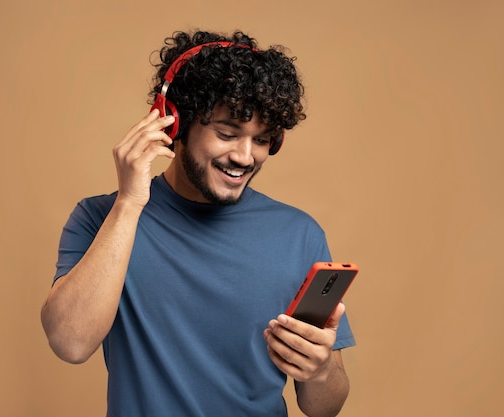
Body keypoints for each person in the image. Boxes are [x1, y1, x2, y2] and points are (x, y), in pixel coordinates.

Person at [41, 29, 355, 417]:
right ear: (175, 124)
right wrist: (130, 202)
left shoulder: (299, 235)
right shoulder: (100, 219)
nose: (245, 156)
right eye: (227, 133)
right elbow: (69, 343)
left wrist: (321, 370)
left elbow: (324, 407)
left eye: (262, 140)